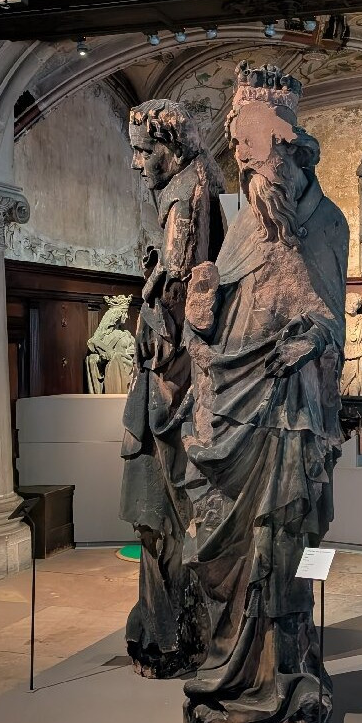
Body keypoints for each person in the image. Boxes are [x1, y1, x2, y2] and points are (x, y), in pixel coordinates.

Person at [180, 62, 348, 723]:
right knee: (225, 550)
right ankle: (236, 676)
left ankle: (292, 684)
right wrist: (201, 306)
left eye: (244, 131)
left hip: (288, 415)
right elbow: (218, 320)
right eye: (231, 132)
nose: (235, 145)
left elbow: (330, 316)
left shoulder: (325, 222)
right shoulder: (244, 219)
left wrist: (313, 338)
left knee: (284, 550)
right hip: (236, 410)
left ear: (281, 136)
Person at [119, 99, 227, 679]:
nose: (137, 163)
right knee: (166, 514)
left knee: (166, 510)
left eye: (143, 151)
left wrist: (154, 313)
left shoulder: (186, 194)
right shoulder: (196, 183)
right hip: (173, 371)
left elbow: (181, 287)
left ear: (170, 147)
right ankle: (173, 629)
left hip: (173, 379)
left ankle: (173, 635)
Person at [85, 295, 135, 394]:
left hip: (127, 373)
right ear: (116, 315)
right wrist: (106, 355)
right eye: (124, 313)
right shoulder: (105, 337)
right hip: (113, 372)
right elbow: (93, 344)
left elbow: (133, 356)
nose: (126, 316)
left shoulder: (126, 335)